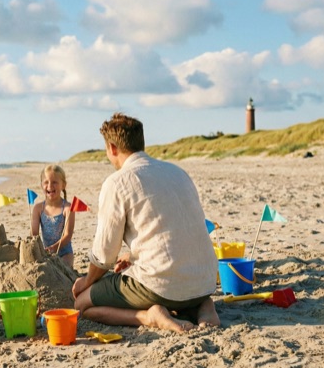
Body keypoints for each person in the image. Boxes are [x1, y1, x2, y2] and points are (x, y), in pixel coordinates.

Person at [72, 113, 220, 333]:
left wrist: (86, 282)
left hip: (163, 285)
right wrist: (131, 256)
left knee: (82, 305)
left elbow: (104, 256)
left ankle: (149, 316)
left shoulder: (118, 182)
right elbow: (168, 228)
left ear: (112, 148)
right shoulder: (178, 172)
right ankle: (204, 306)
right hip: (204, 280)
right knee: (176, 289)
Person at [31, 164, 75, 267]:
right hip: (46, 252)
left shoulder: (68, 208)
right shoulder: (38, 208)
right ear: (41, 185)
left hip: (65, 253)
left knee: (64, 269)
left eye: (55, 182)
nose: (50, 186)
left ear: (63, 185)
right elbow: (34, 233)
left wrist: (53, 248)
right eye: (46, 182)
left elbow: (68, 236)